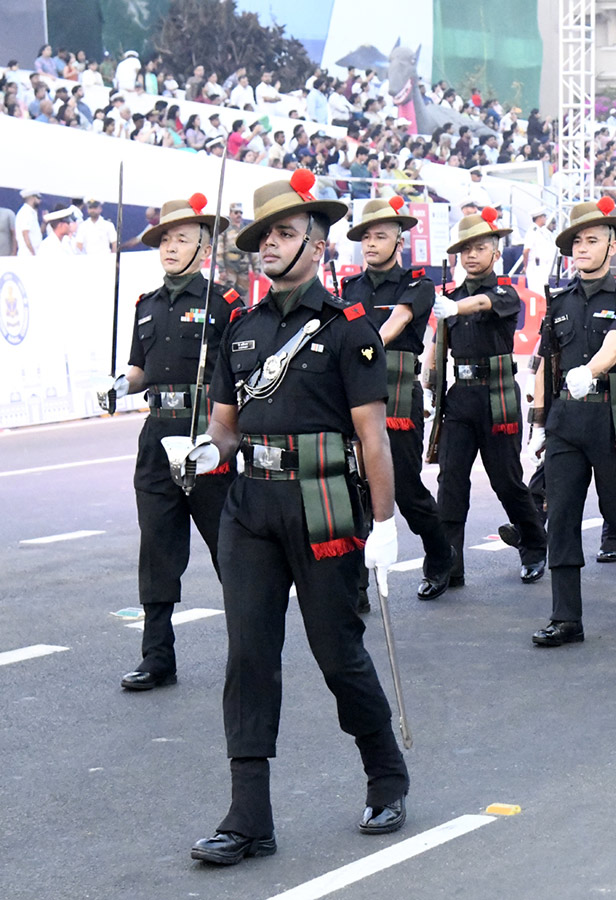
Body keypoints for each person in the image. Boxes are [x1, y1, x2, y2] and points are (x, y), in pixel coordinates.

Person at [184, 171, 409, 864]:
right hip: (249, 509)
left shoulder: (348, 329)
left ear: (316, 244)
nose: (270, 246)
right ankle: (248, 817)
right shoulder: (242, 332)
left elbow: (371, 436)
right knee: (248, 660)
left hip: (325, 506)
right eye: (262, 237)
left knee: (336, 656)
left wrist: (384, 522)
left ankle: (385, 773)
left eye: (284, 233)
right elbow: (225, 428)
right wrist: (200, 448)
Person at [96, 195, 240, 691]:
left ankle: (249, 648)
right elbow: (141, 369)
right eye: (164, 240)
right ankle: (158, 657)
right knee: (157, 551)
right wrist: (121, 384)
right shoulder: (146, 306)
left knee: (230, 549)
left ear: (204, 247)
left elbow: (238, 372)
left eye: (182, 239)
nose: (170, 247)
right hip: (157, 437)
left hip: (205, 437)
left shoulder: (223, 303)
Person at [528, 198, 616, 646]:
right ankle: (566, 617)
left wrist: (588, 372)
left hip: (612, 418)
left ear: (613, 247)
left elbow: (613, 348)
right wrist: (538, 420)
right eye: (577, 242)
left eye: (592, 240)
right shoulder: (560, 302)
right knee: (563, 514)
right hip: (566, 419)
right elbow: (545, 363)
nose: (582, 248)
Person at [343, 197, 455, 603]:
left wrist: (361, 347)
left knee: (405, 488)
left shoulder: (418, 284)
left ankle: (441, 556)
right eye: (366, 237)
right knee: (355, 488)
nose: (371, 244)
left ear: (400, 241)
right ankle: (357, 585)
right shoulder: (349, 287)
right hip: (354, 395)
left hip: (396, 396)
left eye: (381, 236)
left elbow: (398, 322)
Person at [429, 207, 548, 587]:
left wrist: (455, 307)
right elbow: (437, 345)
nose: (471, 255)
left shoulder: (504, 293)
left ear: (496, 253)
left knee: (507, 481)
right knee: (451, 483)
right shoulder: (449, 298)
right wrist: (430, 388)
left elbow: (480, 305)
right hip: (460, 395)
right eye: (465, 249)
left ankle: (533, 546)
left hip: (498, 396)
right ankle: (449, 565)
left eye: (479, 248)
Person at [219, 202, 257, 298]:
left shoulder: (246, 229)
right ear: (231, 213)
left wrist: (256, 268)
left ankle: (241, 312)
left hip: (243, 268)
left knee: (242, 295)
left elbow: (253, 250)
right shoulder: (225, 229)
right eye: (236, 213)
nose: (239, 215)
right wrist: (221, 269)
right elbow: (219, 250)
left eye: (240, 213)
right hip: (229, 268)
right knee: (227, 294)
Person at [16, 189, 41, 256]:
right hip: (27, 254)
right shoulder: (26, 212)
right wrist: (33, 253)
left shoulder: (31, 212)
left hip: (32, 253)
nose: (40, 201)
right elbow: (25, 234)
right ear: (33, 198)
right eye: (38, 198)